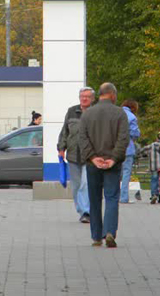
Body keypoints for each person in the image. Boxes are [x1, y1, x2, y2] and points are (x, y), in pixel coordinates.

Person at [79, 83, 129, 248]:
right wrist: (113, 159)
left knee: (94, 199)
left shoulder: (87, 114)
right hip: (112, 164)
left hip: (93, 164)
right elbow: (123, 139)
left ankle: (96, 236)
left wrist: (93, 158)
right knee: (112, 197)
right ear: (113, 95)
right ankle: (109, 232)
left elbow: (83, 139)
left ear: (99, 95)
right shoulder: (120, 114)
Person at [57, 87, 94, 224]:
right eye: (82, 96)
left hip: (90, 156)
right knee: (76, 186)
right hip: (72, 156)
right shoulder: (72, 111)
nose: (84, 99)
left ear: (92, 99)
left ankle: (87, 211)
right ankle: (81, 211)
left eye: (87, 96)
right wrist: (61, 147)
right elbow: (65, 131)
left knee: (85, 183)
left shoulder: (95, 112)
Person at [120, 100, 141, 203]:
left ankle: (113, 197)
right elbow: (135, 133)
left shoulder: (115, 114)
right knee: (126, 173)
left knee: (115, 174)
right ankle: (123, 197)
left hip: (113, 148)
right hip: (127, 148)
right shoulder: (132, 117)